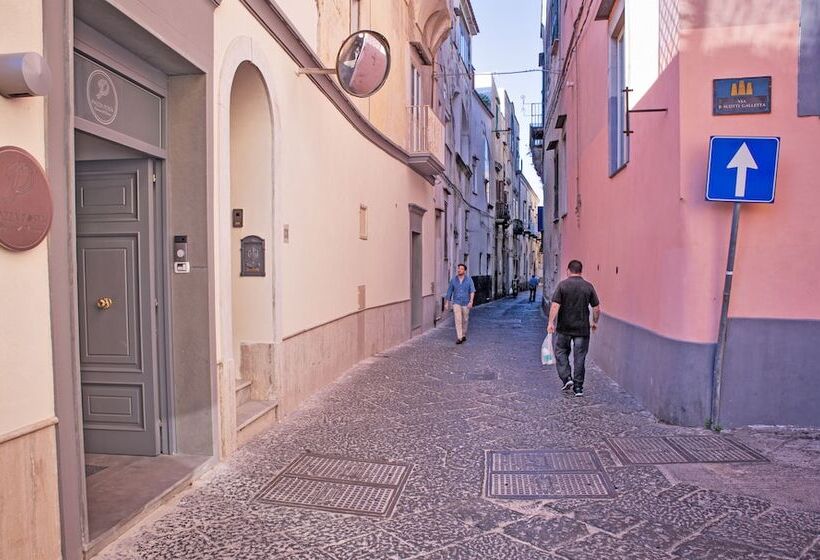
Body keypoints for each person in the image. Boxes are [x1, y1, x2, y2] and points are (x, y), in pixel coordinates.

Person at [547, 260, 600, 396]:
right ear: (581, 271)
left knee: (560, 352)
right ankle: (578, 387)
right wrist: (594, 322)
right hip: (582, 329)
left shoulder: (562, 286)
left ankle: (566, 378)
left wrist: (550, 323)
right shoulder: (588, 287)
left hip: (564, 328)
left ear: (568, 270)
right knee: (580, 357)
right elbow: (596, 308)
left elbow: (555, 305)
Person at [445, 263, 476, 344]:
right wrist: (447, 302)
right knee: (458, 319)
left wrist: (471, 301)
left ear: (464, 271)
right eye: (458, 268)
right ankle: (459, 337)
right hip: (456, 302)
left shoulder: (469, 280)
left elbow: (472, 291)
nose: (459, 270)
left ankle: (463, 334)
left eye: (461, 269)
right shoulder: (453, 280)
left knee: (465, 320)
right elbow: (449, 291)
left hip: (466, 302)